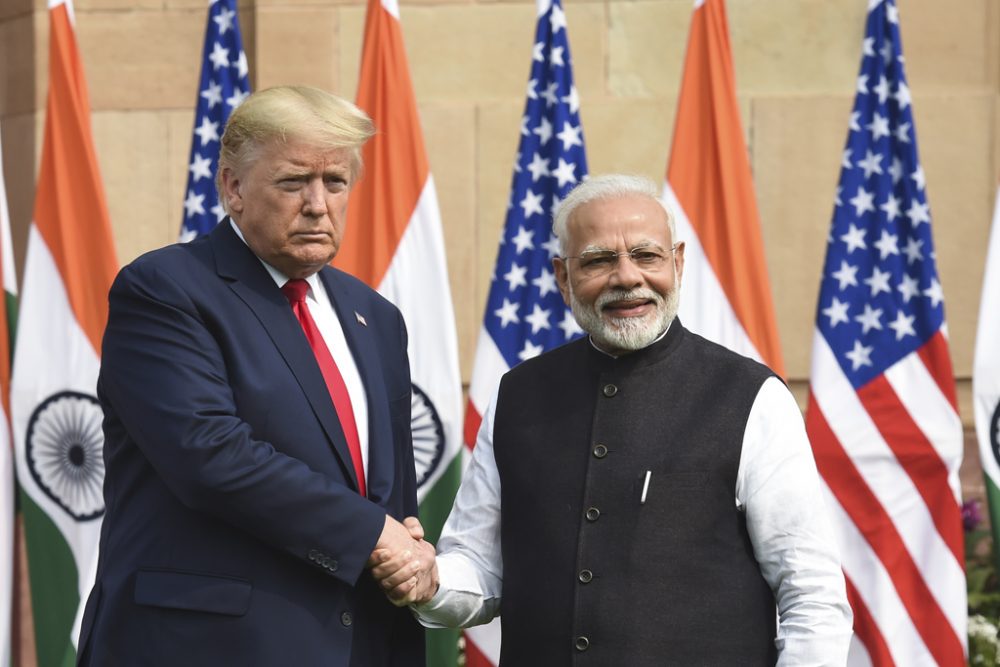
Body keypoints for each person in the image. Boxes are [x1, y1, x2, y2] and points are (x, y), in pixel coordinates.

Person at [378, 174, 854, 665]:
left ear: (678, 263)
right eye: (600, 260)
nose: (627, 277)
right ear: (563, 277)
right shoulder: (518, 395)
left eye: (647, 256)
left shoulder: (753, 397)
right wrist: (429, 580)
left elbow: (812, 594)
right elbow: (480, 565)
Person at [77, 86, 437, 666]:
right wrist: (373, 532)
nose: (318, 204)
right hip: (207, 648)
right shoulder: (166, 290)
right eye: (294, 182)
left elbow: (390, 496)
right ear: (233, 188)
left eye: (335, 182)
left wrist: (407, 549)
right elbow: (209, 454)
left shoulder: (377, 318)